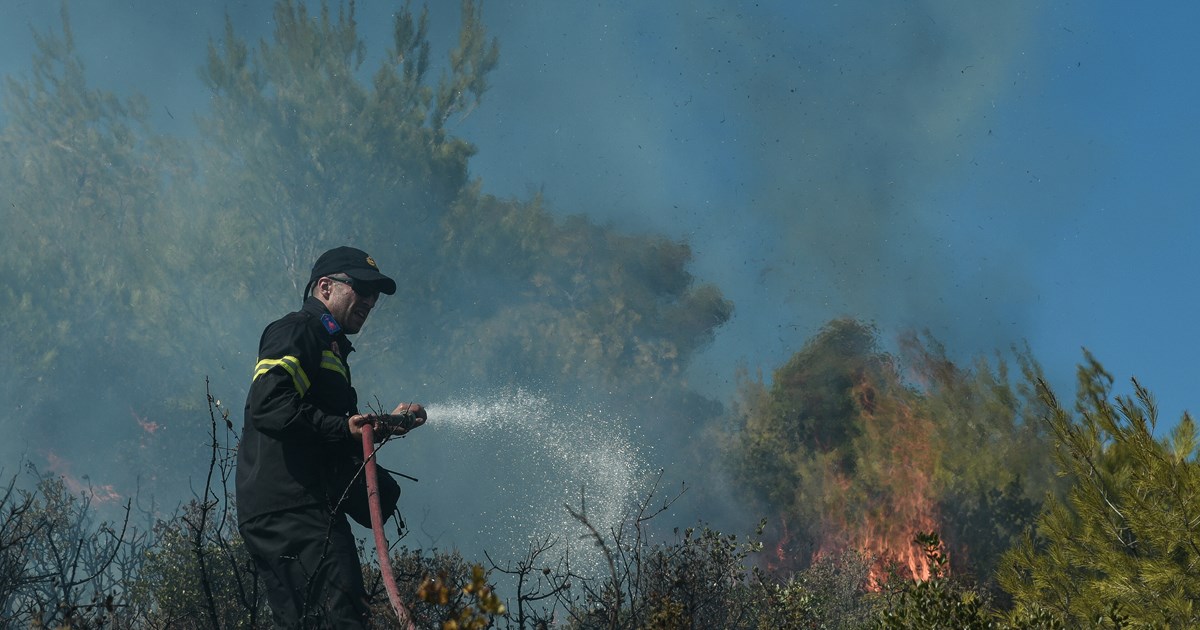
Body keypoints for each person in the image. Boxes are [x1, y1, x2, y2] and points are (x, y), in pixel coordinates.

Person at [236, 246, 427, 628]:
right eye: (361, 288)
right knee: (339, 620)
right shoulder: (298, 330)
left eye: (375, 295)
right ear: (325, 287)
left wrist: (387, 423)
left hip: (293, 508)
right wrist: (342, 428)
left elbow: (323, 429)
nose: (370, 301)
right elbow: (270, 405)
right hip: (295, 509)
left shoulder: (330, 348)